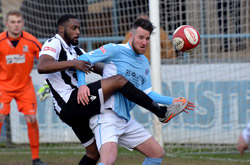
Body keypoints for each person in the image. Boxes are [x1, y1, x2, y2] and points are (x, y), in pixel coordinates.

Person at [38, 14, 194, 165]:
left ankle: (162, 111)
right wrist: (82, 83)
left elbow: (146, 93)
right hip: (81, 106)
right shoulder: (55, 43)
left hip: (121, 117)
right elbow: (45, 66)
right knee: (109, 158)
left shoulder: (142, 62)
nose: (78, 31)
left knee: (98, 153)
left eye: (147, 39)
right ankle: (160, 112)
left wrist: (173, 101)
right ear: (131, 36)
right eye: (74, 28)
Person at [0, 10, 46, 165]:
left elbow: (46, 60)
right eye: (12, 22)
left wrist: (48, 83)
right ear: (6, 24)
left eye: (18, 22)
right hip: (3, 87)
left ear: (23, 24)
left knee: (32, 119)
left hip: (25, 87)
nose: (16, 25)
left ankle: (36, 158)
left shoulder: (31, 41)